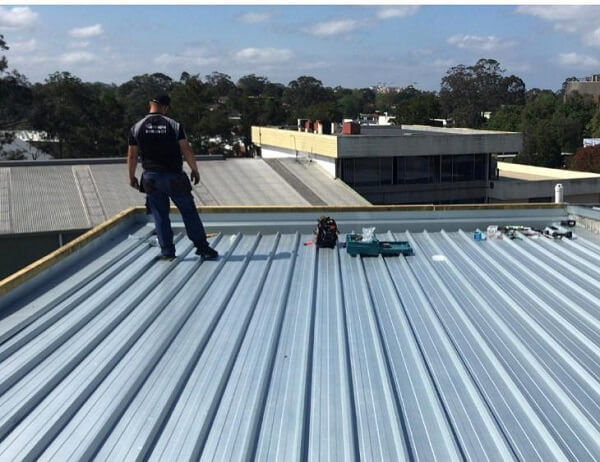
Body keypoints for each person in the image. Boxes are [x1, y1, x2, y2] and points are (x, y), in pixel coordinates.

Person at [127, 94, 218, 260]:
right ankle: (203, 248)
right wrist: (194, 169)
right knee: (189, 212)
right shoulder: (174, 125)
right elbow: (186, 149)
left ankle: (167, 252)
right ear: (166, 107)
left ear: (150, 105)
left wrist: (131, 176)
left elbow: (132, 156)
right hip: (174, 177)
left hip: (151, 179)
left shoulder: (137, 127)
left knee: (160, 216)